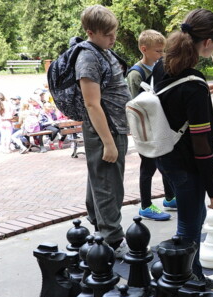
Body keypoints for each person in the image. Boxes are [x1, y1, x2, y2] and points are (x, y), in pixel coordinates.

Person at [150, 8, 213, 291]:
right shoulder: (193, 87)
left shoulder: (162, 66)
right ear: (206, 43)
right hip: (186, 164)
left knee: (193, 220)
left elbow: (174, 98)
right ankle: (185, 285)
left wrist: (202, 86)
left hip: (165, 155)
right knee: (189, 228)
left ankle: (194, 276)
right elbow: (203, 147)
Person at [75, 5, 131, 257]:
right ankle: (113, 240)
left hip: (114, 127)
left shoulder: (102, 51)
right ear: (90, 32)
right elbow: (91, 103)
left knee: (101, 179)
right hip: (105, 130)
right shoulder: (88, 57)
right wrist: (108, 142)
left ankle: (100, 228)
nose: (113, 38)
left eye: (114, 33)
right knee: (109, 185)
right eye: (108, 34)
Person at [127, 29, 174, 221]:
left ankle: (170, 197)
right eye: (158, 51)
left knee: (165, 162)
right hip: (146, 130)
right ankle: (145, 205)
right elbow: (134, 104)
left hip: (159, 124)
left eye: (163, 51)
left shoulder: (159, 68)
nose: (162, 55)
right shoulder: (136, 74)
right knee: (148, 167)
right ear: (144, 49)